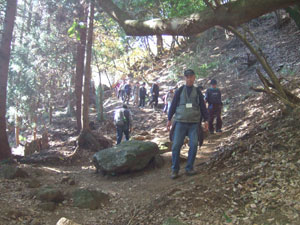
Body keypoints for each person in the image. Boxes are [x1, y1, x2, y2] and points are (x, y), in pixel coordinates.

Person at [167, 69, 209, 179]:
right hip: (180, 122)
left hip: (194, 123)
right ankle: (175, 170)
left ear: (194, 77)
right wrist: (169, 119)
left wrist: (206, 120)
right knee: (176, 145)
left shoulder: (198, 92)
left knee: (194, 144)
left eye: (191, 77)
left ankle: (189, 168)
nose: (189, 79)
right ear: (184, 78)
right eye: (187, 77)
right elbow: (173, 105)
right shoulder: (179, 91)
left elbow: (203, 107)